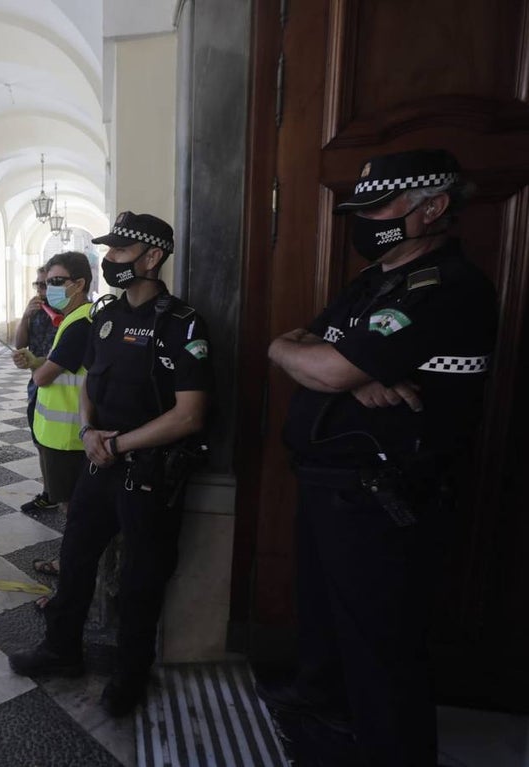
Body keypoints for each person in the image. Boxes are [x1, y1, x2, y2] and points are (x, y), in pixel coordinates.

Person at [263, 149, 497, 766]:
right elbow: (293, 343)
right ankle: (324, 718)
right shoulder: (374, 282)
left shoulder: (449, 288)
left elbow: (327, 360)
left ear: (434, 207)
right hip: (330, 486)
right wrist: (334, 370)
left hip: (384, 495)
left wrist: (338, 371)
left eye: (378, 206)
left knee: (381, 646)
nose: (364, 220)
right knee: (326, 621)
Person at [9, 212, 212, 718]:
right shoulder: (103, 316)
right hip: (99, 463)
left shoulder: (183, 323)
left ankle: (129, 675)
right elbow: (89, 386)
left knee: (142, 579)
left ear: (151, 257)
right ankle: (62, 649)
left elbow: (189, 415)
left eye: (119, 252)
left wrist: (118, 444)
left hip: (149, 472)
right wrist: (87, 430)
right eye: (109, 251)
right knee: (75, 560)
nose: (109, 260)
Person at [13, 252, 94, 586]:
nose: (49, 289)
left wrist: (36, 367)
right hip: (64, 434)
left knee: (71, 508)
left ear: (79, 284)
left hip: (68, 437)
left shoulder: (79, 323)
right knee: (72, 506)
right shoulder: (77, 317)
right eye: (45, 283)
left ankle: (71, 566)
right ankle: (74, 560)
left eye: (57, 282)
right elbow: (57, 365)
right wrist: (37, 361)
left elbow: (45, 377)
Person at [12, 265, 62, 513]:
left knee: (62, 445)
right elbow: (19, 344)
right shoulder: (36, 311)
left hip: (63, 385)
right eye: (39, 285)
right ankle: (50, 492)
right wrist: (25, 317)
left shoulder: (68, 310)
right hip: (37, 384)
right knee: (41, 440)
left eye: (47, 284)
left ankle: (63, 494)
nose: (42, 290)